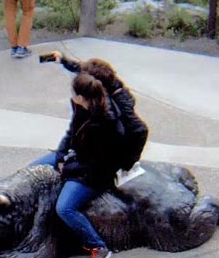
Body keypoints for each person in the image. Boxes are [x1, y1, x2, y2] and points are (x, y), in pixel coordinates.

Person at [30, 72, 119, 258]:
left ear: (81, 96)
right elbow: (70, 134)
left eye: (73, 93)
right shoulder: (80, 107)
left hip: (93, 175)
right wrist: (60, 156)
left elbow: (98, 163)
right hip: (75, 159)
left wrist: (66, 168)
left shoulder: (106, 123)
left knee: (65, 208)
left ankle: (98, 246)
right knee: (32, 171)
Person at [46, 51, 149, 183]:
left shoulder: (118, 106)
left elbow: (140, 130)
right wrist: (63, 60)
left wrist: (126, 164)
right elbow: (83, 70)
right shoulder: (101, 82)